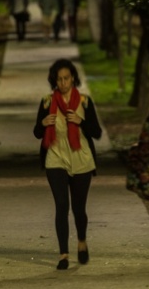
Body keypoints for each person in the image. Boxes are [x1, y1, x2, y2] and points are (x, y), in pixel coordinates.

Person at [33, 59, 103, 270]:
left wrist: (81, 122)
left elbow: (97, 133)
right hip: (56, 157)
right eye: (59, 79)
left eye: (66, 78)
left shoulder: (84, 102)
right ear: (54, 80)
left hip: (81, 158)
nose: (63, 83)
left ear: (73, 78)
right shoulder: (47, 102)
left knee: (78, 208)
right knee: (61, 205)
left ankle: (81, 241)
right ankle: (63, 254)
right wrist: (43, 124)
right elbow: (37, 132)